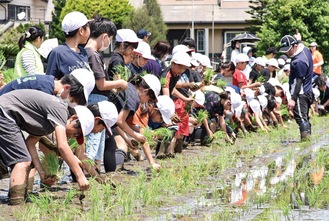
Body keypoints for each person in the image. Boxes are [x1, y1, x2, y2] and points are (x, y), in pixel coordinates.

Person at [0, 89, 90, 205]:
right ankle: (17, 205)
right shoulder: (61, 110)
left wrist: (42, 174)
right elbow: (62, 145)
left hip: (6, 114)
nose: (73, 136)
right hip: (4, 112)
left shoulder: (48, 123)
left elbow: (30, 144)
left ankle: (15, 199)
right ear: (73, 118)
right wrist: (80, 176)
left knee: (24, 160)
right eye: (76, 132)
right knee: (22, 161)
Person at [104, 74, 160, 172]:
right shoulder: (134, 98)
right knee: (114, 147)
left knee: (110, 145)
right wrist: (135, 135)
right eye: (150, 99)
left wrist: (128, 137)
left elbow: (117, 122)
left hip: (106, 122)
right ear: (145, 91)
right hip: (102, 120)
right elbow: (119, 121)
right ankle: (110, 175)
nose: (148, 102)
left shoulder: (129, 88)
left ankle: (109, 175)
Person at [279, 34, 313, 140]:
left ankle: (306, 143)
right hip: (307, 91)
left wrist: (293, 98)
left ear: (294, 46)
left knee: (301, 119)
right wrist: (299, 39)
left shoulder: (298, 61)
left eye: (288, 50)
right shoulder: (305, 50)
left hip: (300, 93)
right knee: (305, 117)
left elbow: (299, 81)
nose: (286, 52)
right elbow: (300, 43)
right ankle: (308, 139)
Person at [0, 68, 95, 106]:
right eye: (72, 100)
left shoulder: (46, 81)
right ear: (67, 88)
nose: (71, 103)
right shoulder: (45, 92)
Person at [46, 11, 91, 79]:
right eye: (88, 26)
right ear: (81, 30)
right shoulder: (58, 53)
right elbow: (51, 82)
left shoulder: (83, 52)